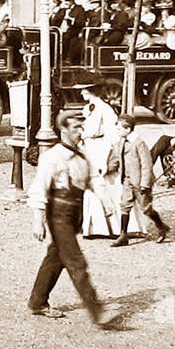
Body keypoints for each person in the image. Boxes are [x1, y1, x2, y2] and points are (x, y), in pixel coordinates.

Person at [27, 109, 115, 326]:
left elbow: (94, 179)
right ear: (63, 129)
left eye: (81, 127)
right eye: (75, 127)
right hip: (58, 215)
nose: (80, 132)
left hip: (75, 213)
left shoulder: (83, 155)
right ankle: (98, 312)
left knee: (56, 257)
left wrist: (106, 203)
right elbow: (39, 189)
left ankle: (37, 301)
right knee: (76, 261)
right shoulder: (52, 157)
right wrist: (38, 220)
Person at [109, 113, 169, 246]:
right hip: (127, 180)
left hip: (140, 182)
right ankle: (123, 235)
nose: (117, 131)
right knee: (124, 205)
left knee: (146, 208)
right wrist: (107, 168)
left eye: (119, 128)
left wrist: (145, 184)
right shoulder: (120, 142)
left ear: (128, 129)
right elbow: (118, 159)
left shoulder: (139, 143)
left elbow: (146, 164)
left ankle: (161, 227)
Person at [77, 85, 120, 239]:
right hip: (89, 148)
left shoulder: (105, 109)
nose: (81, 92)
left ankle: (113, 227)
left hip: (100, 149)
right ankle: (93, 226)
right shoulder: (88, 108)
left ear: (93, 91)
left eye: (85, 90)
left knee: (102, 185)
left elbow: (111, 136)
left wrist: (104, 159)